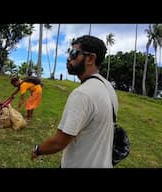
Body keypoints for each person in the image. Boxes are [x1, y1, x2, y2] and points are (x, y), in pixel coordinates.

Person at [30, 35, 118, 168]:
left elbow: (59, 142)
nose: (68, 58)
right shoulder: (107, 87)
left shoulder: (82, 94)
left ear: (90, 58)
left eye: (73, 53)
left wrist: (37, 149)